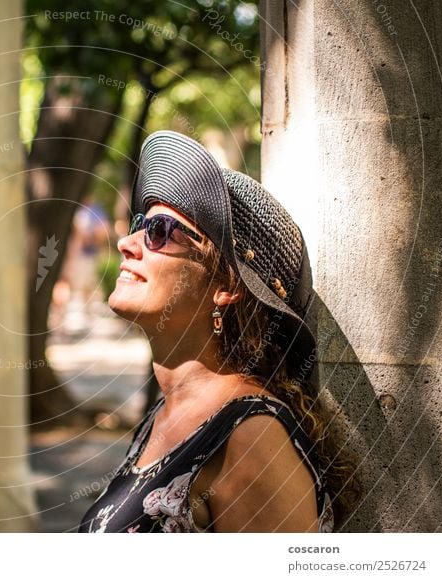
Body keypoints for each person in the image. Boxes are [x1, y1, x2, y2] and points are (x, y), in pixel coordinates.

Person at [77, 131, 358, 533]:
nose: (126, 242)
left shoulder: (250, 438)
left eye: (159, 231)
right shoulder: (166, 413)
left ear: (226, 285)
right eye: (140, 224)